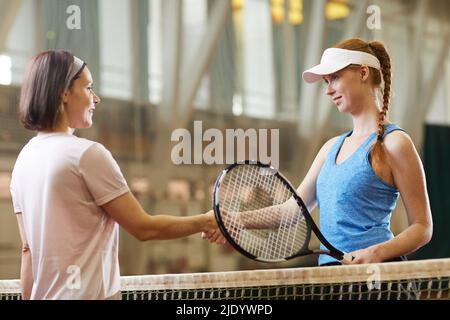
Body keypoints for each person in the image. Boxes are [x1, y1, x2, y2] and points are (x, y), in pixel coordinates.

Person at [204, 38, 433, 267]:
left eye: (334, 78)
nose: (328, 90)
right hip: (333, 278)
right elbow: (289, 212)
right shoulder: (329, 149)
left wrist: (375, 253)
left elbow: (422, 227)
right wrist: (234, 221)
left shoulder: (395, 143)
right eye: (326, 81)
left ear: (363, 73)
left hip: (380, 280)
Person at [10, 50, 217, 300]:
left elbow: (27, 250)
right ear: (64, 93)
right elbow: (144, 228)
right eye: (88, 88)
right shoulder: (88, 155)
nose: (95, 98)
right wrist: (206, 220)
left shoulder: (24, 160)